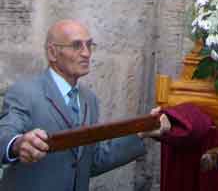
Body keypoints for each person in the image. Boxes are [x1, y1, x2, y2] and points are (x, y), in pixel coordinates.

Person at [0, 19, 168, 191]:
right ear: (52, 53)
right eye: (76, 46)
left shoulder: (89, 99)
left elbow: (90, 160)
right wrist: (17, 145)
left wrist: (140, 133)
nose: (86, 53)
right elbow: (4, 134)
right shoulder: (25, 92)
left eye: (89, 45)